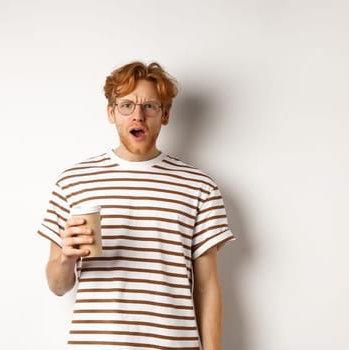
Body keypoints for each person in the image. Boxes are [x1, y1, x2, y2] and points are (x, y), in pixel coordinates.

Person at [37, 61, 235, 350]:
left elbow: (207, 288)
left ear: (165, 114)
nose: (138, 116)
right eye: (126, 105)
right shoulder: (73, 182)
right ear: (111, 113)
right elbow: (57, 285)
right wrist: (67, 258)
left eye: (150, 106)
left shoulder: (200, 186)